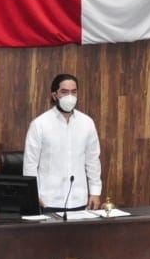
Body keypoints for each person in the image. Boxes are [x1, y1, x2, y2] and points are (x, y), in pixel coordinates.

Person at [23, 73, 103, 212]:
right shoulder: (39, 124)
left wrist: (95, 191)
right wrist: (33, 194)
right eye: (64, 92)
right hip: (48, 201)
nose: (70, 97)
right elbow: (30, 164)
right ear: (54, 95)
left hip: (79, 200)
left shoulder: (87, 123)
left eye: (74, 92)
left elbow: (92, 160)